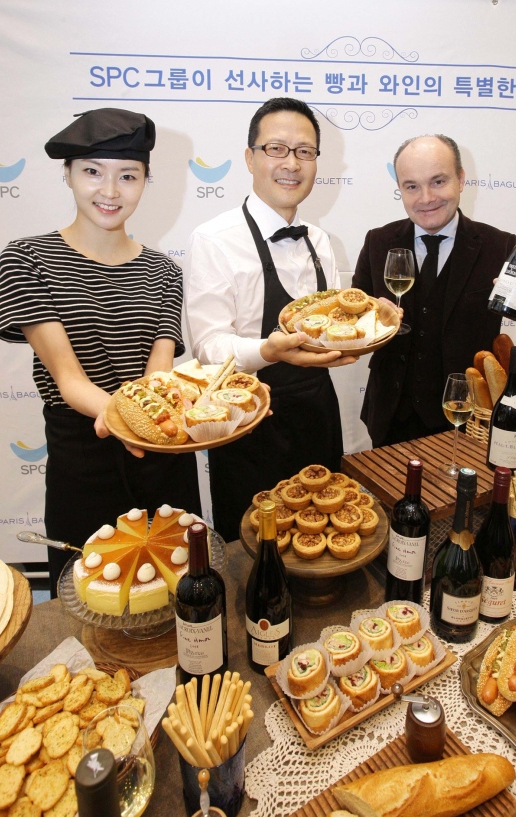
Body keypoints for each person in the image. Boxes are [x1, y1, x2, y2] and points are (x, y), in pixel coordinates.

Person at [0, 108, 201, 595]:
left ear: (145, 182)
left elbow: (158, 379)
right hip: (83, 460)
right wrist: (127, 420)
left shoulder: (164, 272)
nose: (110, 191)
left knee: (178, 594)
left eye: (127, 176)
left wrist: (165, 422)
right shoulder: (27, 258)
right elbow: (68, 380)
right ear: (67, 174)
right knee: (88, 600)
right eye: (93, 172)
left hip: (161, 456)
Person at [184, 97, 355, 542]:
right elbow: (207, 347)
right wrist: (266, 350)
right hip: (246, 422)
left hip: (317, 416)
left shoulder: (320, 240)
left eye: (305, 151)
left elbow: (332, 321)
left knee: (324, 536)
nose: (291, 164)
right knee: (253, 555)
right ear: (249, 158)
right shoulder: (213, 239)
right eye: (276, 149)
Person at [352, 134, 516, 448]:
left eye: (438, 181)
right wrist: (369, 322)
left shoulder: (499, 245)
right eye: (411, 186)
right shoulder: (378, 241)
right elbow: (354, 319)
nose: (426, 198)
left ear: (460, 180)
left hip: (468, 420)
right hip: (391, 417)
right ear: (400, 189)